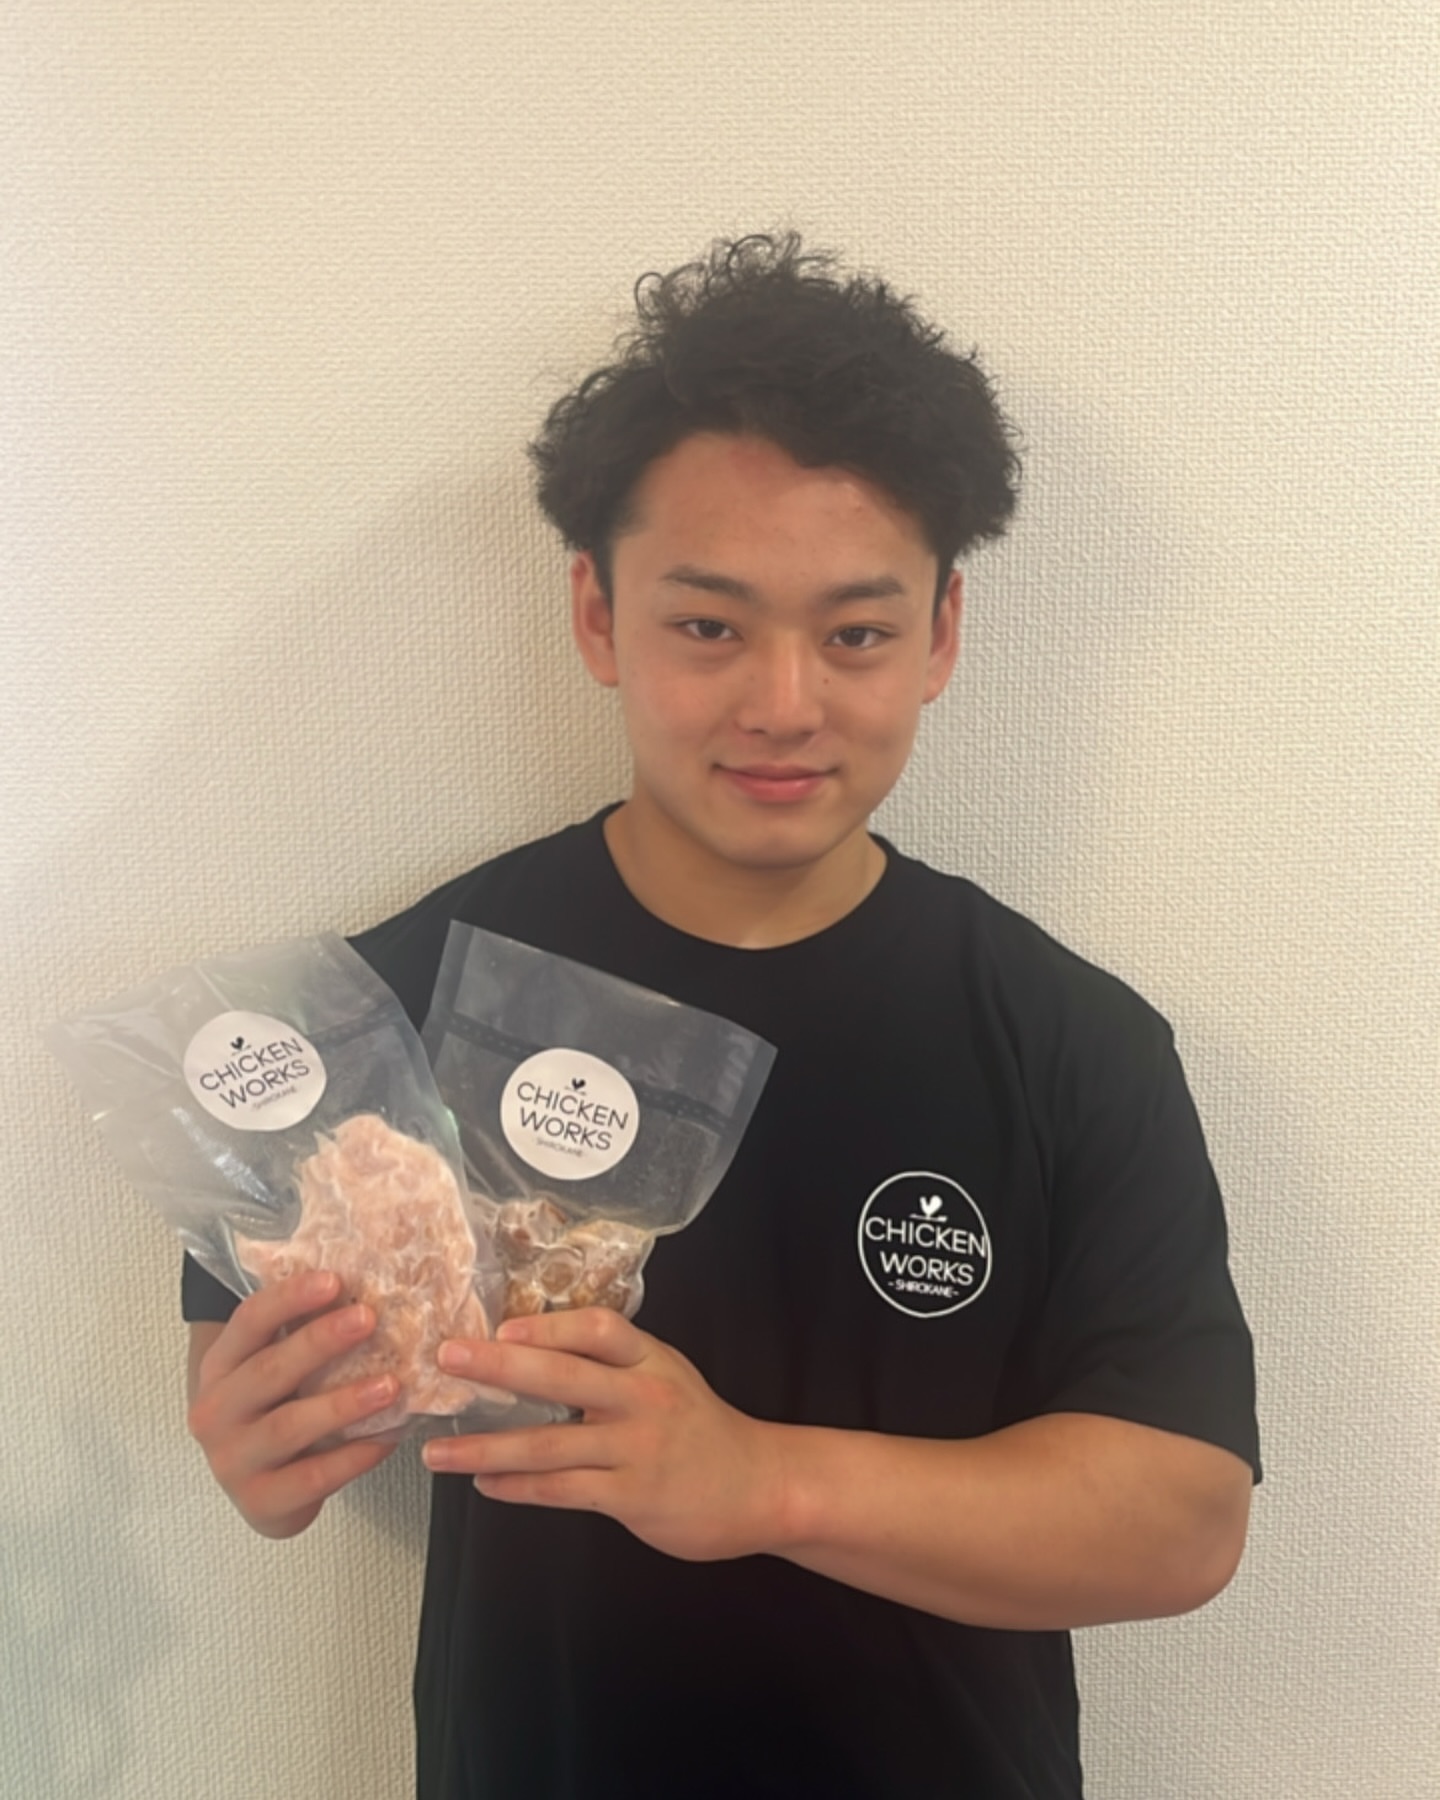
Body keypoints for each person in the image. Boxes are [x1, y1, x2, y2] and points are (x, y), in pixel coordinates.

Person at [183, 233, 1260, 1798]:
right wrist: (261, 1450)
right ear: (597, 615)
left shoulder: (1071, 1041)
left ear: (942, 635)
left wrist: (756, 1480)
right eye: (709, 625)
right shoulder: (385, 1012)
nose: (782, 703)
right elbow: (259, 1414)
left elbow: (1181, 1523)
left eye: (856, 632)